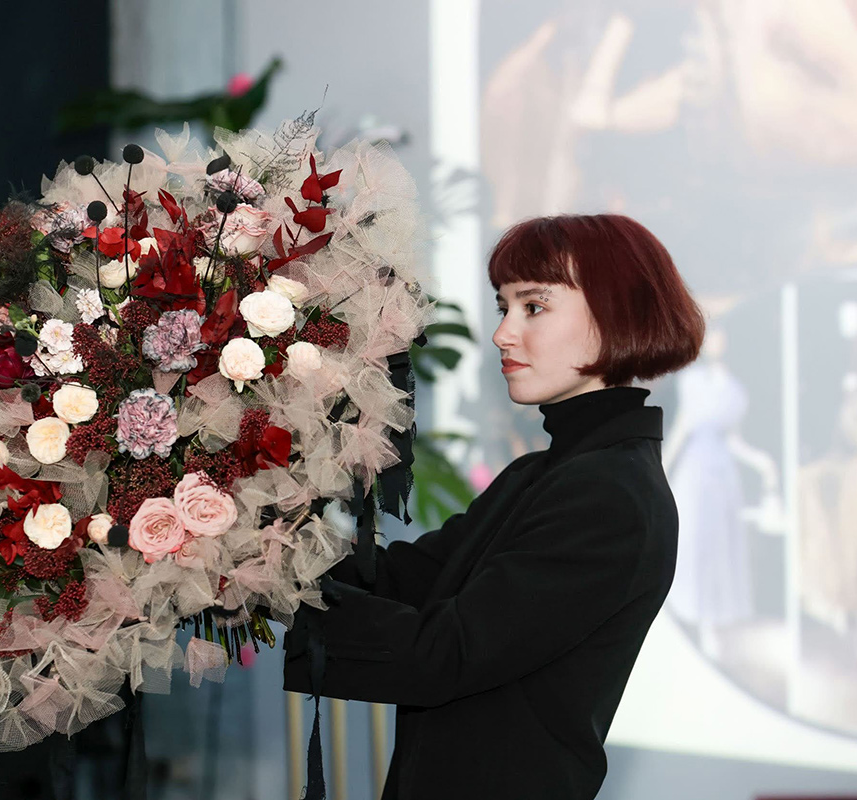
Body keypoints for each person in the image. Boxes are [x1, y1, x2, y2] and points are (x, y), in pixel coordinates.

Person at [282, 213, 706, 800]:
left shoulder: (609, 494)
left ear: (617, 313)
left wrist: (275, 585)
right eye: (504, 307)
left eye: (534, 307)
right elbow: (406, 580)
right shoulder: (547, 473)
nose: (503, 334)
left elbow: (443, 655)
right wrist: (256, 553)